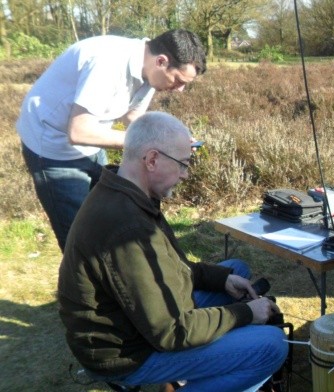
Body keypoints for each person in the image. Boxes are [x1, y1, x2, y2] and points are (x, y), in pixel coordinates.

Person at [57, 111, 288, 392]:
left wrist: (221, 279)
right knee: (271, 346)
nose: (185, 174)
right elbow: (172, 332)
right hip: (126, 353)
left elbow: (168, 267)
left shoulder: (128, 191)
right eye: (182, 164)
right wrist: (246, 314)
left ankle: (200, 372)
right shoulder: (127, 228)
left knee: (235, 270)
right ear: (152, 159)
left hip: (139, 324)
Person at [17, 29, 206, 251]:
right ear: (162, 61)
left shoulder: (148, 69)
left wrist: (172, 140)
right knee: (80, 240)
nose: (180, 90)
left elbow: (133, 117)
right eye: (178, 80)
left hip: (92, 143)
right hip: (53, 150)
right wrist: (150, 144)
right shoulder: (107, 65)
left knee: (108, 218)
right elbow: (79, 132)